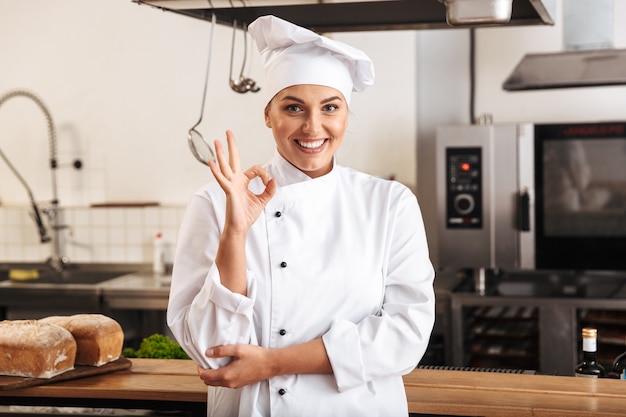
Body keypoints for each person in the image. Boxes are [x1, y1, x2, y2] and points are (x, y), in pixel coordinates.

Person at [167, 15, 435, 417]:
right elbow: (213, 354)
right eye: (293, 108)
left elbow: (406, 336)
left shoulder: (390, 203)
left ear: (346, 115)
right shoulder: (215, 202)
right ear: (268, 115)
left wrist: (274, 364)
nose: (313, 127)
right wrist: (236, 234)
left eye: (330, 107)